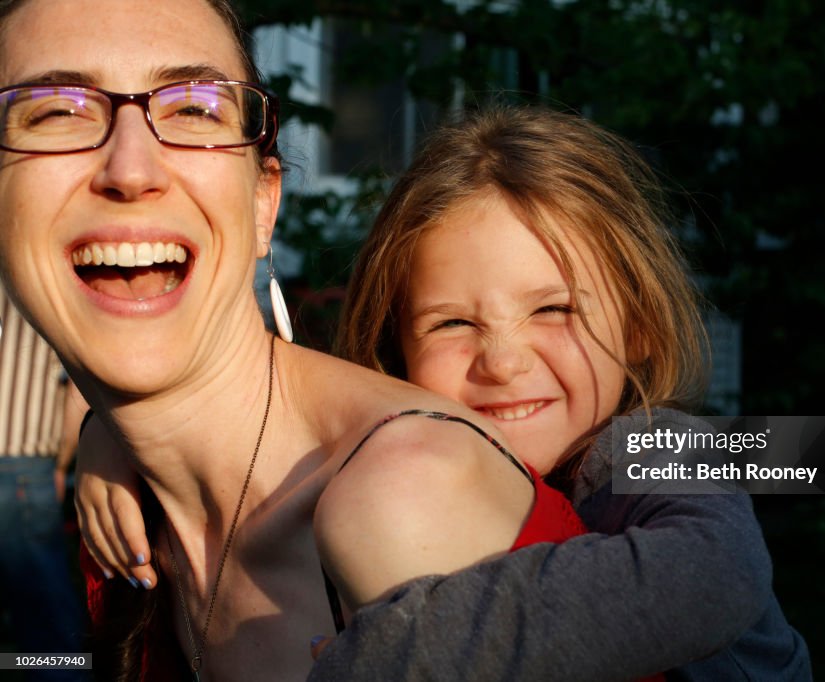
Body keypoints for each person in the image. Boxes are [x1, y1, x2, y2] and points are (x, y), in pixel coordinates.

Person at [78, 105, 811, 678]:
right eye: (452, 322)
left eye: (554, 309)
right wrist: (112, 435)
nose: (500, 360)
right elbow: (280, 402)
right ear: (397, 350)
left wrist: (405, 654)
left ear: (642, 328)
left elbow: (717, 576)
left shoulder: (661, 443)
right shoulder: (408, 443)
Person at [0, 1, 547, 680]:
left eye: (193, 108)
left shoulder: (401, 506)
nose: (131, 168)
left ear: (264, 205)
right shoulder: (133, 517)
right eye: (56, 110)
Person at [0, 283, 89, 682]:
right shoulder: (37, 286)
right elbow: (79, 387)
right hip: (23, 465)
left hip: (20, 467)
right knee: (45, 613)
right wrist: (61, 462)